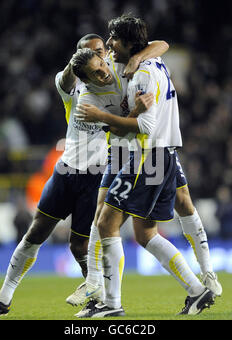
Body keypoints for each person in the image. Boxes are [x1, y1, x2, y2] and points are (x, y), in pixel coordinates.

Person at [0, 34, 168, 319]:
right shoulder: (72, 86)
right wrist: (79, 63)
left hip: (97, 177)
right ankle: (2, 300)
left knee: (80, 244)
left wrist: (136, 58)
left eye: (102, 53)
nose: (102, 60)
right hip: (65, 171)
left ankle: (97, 297)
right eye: (93, 56)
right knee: (35, 233)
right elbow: (65, 79)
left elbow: (161, 45)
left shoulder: (123, 79)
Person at [72, 14, 217, 317]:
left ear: (126, 43)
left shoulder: (141, 75)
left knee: (106, 223)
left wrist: (105, 119)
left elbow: (144, 126)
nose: (109, 46)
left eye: (113, 40)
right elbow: (158, 46)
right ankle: (197, 290)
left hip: (146, 157)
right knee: (144, 232)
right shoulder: (141, 66)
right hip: (155, 155)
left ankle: (110, 304)